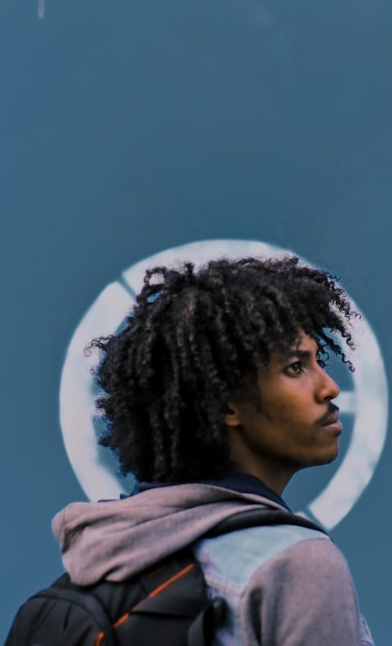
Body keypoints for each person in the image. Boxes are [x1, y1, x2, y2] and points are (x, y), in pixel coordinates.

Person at [52, 255, 375, 646]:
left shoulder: (98, 563)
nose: (329, 388)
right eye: (295, 368)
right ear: (227, 406)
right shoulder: (299, 566)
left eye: (317, 362)